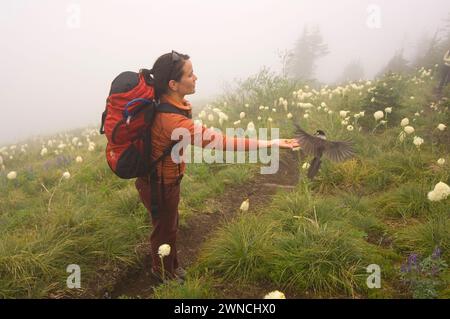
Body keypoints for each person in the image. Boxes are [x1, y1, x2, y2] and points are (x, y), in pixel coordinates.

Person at [135, 50, 299, 283]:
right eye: (190, 75)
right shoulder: (172, 120)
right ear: (173, 84)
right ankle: (162, 273)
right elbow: (221, 142)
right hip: (159, 185)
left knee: (169, 226)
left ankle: (171, 266)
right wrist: (270, 142)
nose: (196, 78)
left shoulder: (172, 104)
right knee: (164, 229)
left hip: (165, 182)